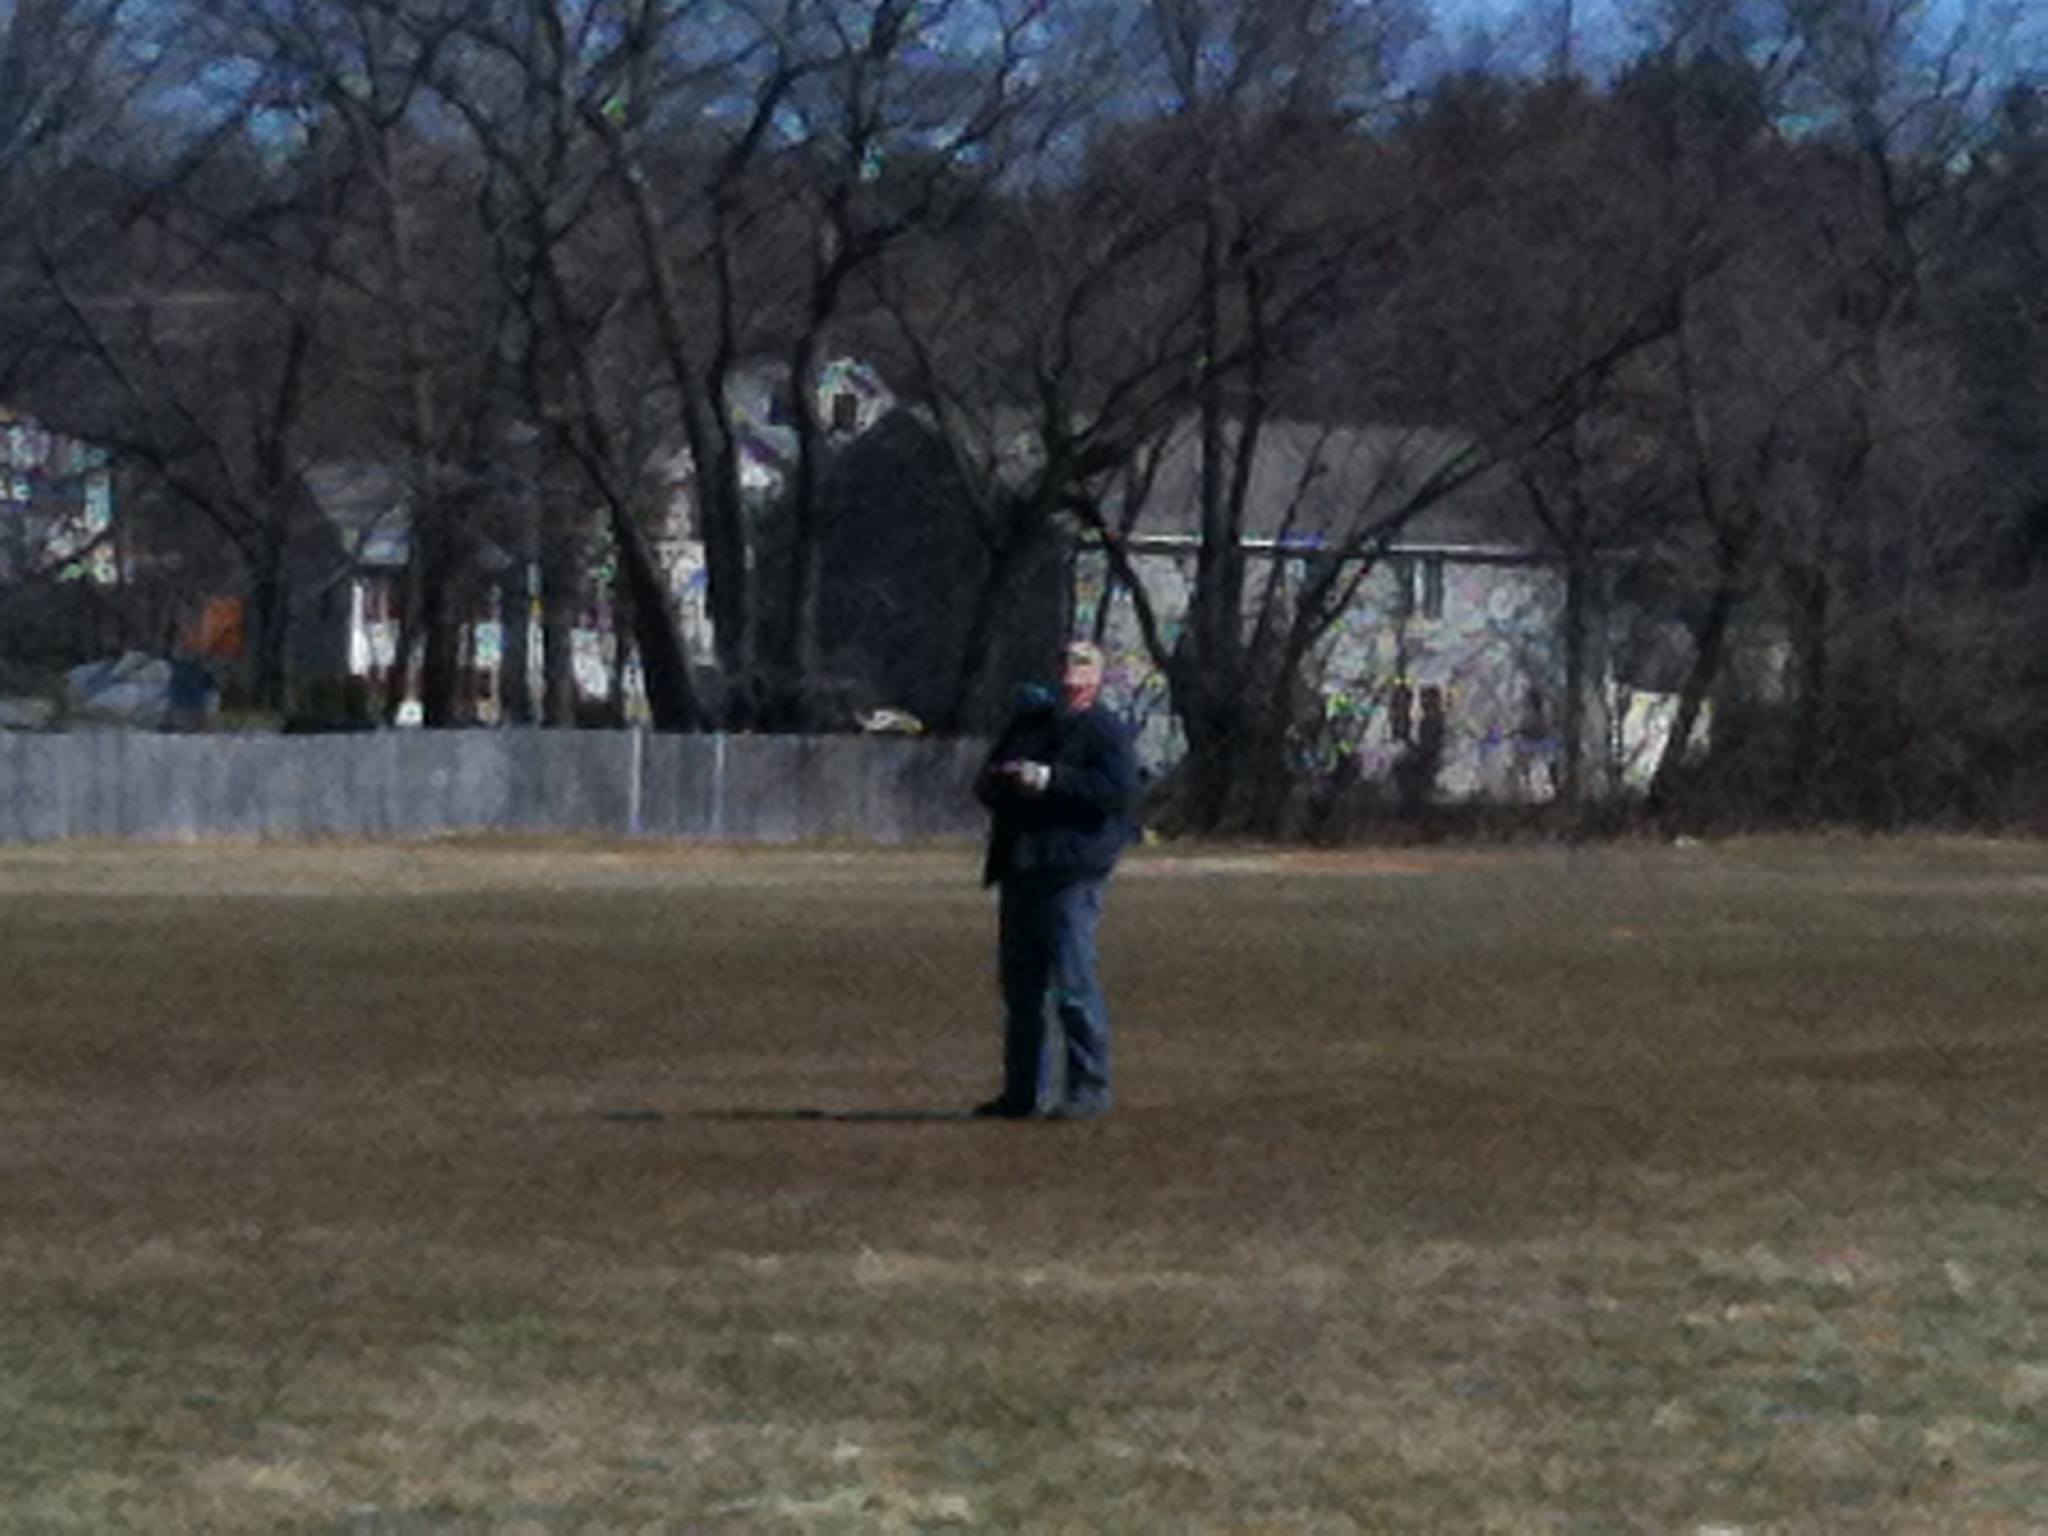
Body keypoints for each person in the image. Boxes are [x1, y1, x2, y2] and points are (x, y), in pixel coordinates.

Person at [972, 640, 1140, 1120]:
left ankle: (1088, 1090)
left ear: (1097, 679)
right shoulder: (1028, 725)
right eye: (1065, 666)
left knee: (1072, 983)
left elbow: (1120, 791)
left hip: (1072, 871)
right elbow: (984, 782)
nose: (1071, 676)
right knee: (1020, 990)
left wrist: (1050, 780)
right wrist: (1006, 781)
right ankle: (1021, 1093)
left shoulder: (1105, 731)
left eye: (1082, 668)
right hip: (1020, 866)